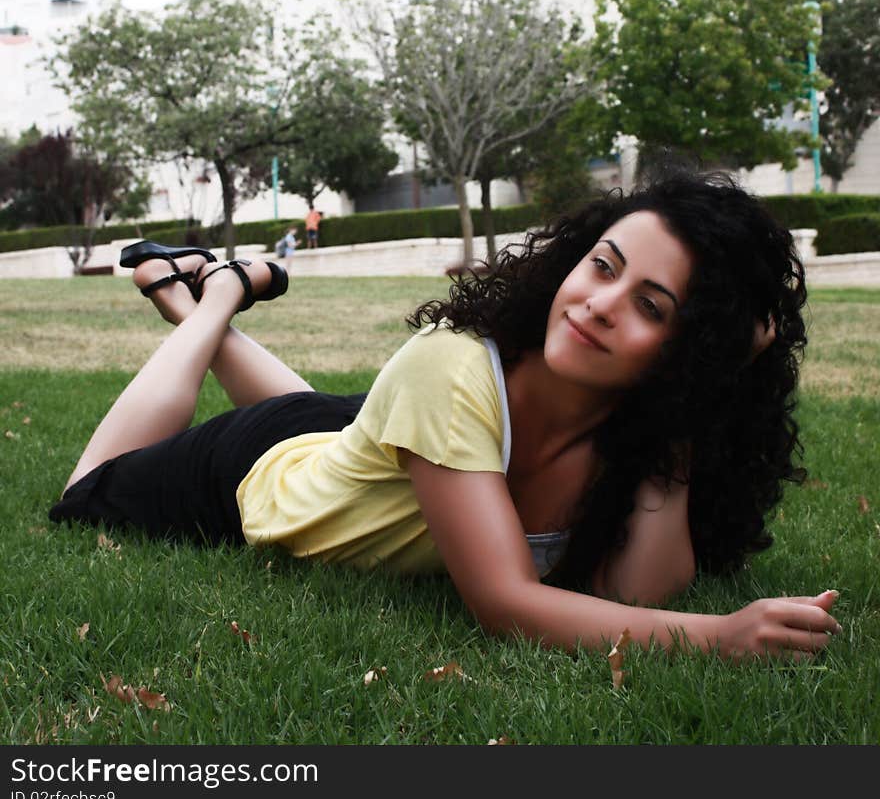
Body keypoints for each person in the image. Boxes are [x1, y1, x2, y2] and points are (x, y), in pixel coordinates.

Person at [49, 171, 842, 662]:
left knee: (345, 425)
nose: (599, 305)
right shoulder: (453, 366)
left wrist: (698, 397)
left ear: (688, 352)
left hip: (386, 446)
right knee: (83, 496)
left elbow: (639, 594)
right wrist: (723, 639)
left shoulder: (631, 426)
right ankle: (206, 297)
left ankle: (206, 295)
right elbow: (504, 603)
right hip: (259, 474)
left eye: (650, 306)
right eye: (603, 265)